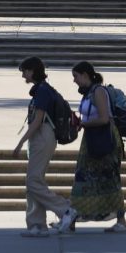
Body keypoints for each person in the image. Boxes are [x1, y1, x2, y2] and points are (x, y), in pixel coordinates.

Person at [57, 61, 126, 234]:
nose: (74, 81)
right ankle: (72, 219)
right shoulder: (88, 93)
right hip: (91, 139)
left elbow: (104, 118)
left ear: (85, 75)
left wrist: (82, 122)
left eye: (75, 76)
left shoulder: (98, 92)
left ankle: (121, 220)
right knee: (82, 179)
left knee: (110, 179)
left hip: (105, 140)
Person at [12, 56, 77, 238]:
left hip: (42, 136)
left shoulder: (42, 91)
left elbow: (37, 122)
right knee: (35, 181)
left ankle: (65, 209)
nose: (23, 75)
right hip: (42, 137)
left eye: (24, 71)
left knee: (32, 180)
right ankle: (37, 225)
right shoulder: (43, 89)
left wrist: (20, 142)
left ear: (32, 71)